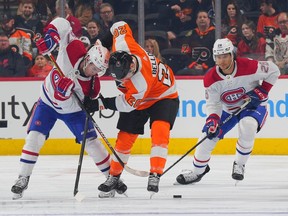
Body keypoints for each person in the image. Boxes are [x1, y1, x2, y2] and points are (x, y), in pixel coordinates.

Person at [10, 17, 127, 200]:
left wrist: (64, 95)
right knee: (34, 137)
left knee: (92, 142)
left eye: (98, 71)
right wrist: (51, 36)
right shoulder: (75, 49)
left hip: (72, 111)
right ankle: (22, 178)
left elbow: (72, 104)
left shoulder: (93, 87)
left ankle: (111, 178)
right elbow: (63, 24)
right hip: (47, 103)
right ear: (88, 58)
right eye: (93, 67)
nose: (94, 72)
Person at [84, 21, 179, 196]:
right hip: (139, 97)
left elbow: (125, 105)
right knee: (125, 136)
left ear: (133, 67)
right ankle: (114, 176)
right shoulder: (123, 44)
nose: (123, 80)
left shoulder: (140, 82)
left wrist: (99, 104)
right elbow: (119, 25)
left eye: (126, 76)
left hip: (164, 96)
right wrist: (102, 44)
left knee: (160, 130)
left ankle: (155, 173)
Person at [176, 38, 280, 185]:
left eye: (225, 56)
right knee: (207, 136)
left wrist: (263, 90)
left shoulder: (249, 65)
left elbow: (274, 70)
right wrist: (212, 119)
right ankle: (197, 172)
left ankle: (239, 164)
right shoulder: (210, 78)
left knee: (248, 125)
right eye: (218, 57)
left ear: (232, 55)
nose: (222, 60)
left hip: (252, 106)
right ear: (214, 58)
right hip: (227, 110)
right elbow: (213, 103)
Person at [178, 10, 215, 75]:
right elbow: (184, 53)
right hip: (192, 67)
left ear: (209, 20)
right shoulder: (189, 35)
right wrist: (193, 64)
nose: (202, 19)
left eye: (204, 17)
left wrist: (205, 66)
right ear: (196, 21)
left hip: (210, 67)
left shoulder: (215, 34)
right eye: (200, 17)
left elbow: (217, 54)